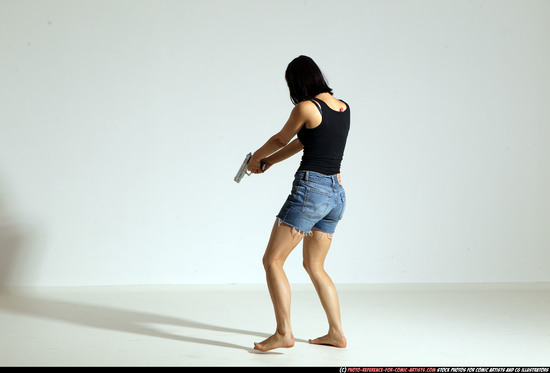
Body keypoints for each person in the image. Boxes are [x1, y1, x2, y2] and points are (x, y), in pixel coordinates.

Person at [247, 55, 350, 352]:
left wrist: (256, 156)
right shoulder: (342, 107)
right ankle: (337, 333)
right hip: (337, 194)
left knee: (272, 261)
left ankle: (283, 333)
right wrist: (268, 163)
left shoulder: (306, 107)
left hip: (311, 192)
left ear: (297, 82)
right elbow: (304, 143)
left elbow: (281, 139)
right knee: (315, 265)